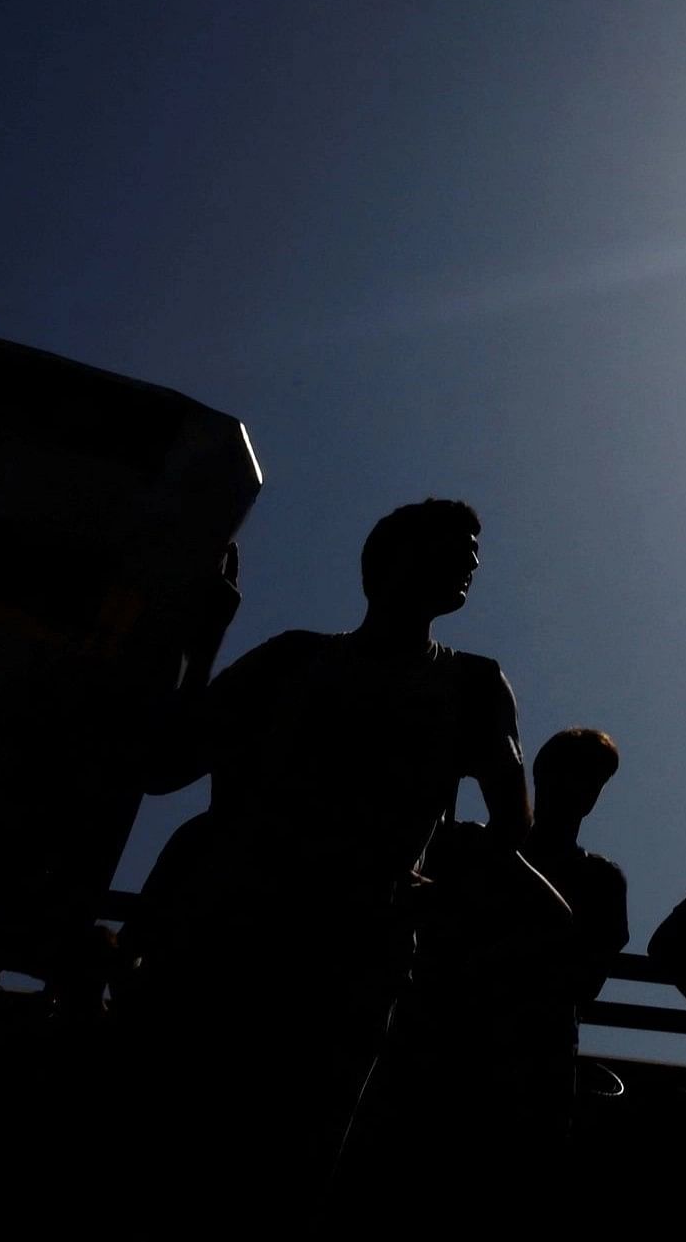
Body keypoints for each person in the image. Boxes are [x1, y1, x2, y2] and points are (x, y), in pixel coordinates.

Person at [128, 498, 543, 1222]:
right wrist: (203, 638)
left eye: (473, 547)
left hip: (351, 960)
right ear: (388, 558)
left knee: (288, 1172)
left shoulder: (473, 683)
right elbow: (166, 764)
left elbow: (512, 825)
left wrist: (434, 896)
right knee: (169, 1155)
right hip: (227, 942)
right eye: (451, 541)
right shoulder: (294, 658)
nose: (471, 557)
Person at [528, 727, 631, 1153]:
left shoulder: (603, 881)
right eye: (582, 775)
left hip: (539, 1050)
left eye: (595, 781)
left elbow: (583, 986)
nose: (587, 791)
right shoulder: (601, 880)